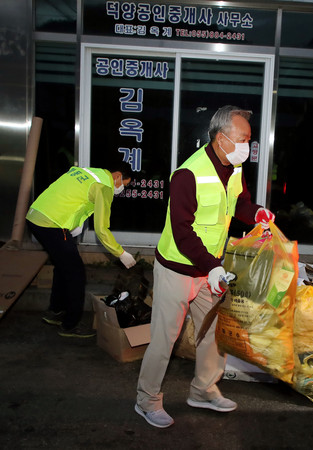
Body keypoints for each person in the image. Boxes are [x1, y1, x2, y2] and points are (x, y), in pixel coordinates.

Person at [135, 106, 275, 429]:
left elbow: (237, 203)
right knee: (164, 340)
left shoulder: (235, 168)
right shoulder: (188, 174)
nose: (248, 146)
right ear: (220, 138)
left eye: (249, 140)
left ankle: (203, 389)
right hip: (177, 269)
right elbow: (182, 231)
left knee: (213, 333)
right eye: (243, 139)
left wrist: (256, 214)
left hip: (209, 270)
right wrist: (212, 266)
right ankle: (147, 399)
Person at [26, 163, 137, 338]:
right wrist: (120, 253)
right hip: (51, 224)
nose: (121, 189)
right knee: (76, 273)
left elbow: (74, 196)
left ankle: (55, 311)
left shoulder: (89, 172)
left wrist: (76, 222)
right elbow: (101, 229)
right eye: (123, 184)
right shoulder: (104, 186)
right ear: (117, 176)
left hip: (35, 215)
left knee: (63, 266)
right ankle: (70, 325)